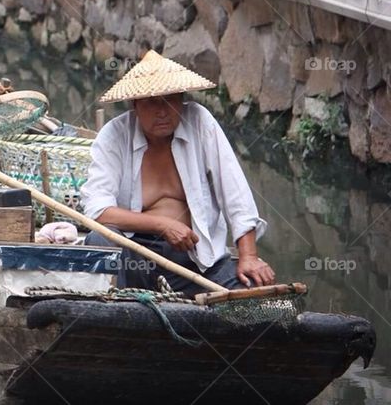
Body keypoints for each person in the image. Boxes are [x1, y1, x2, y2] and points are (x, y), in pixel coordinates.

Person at [80, 50, 276, 296]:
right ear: (135, 104)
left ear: (181, 100)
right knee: (99, 241)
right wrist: (162, 225)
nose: (162, 111)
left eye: (170, 100)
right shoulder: (114, 135)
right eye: (151, 102)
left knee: (254, 289)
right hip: (135, 259)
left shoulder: (200, 122)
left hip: (195, 262)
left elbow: (235, 194)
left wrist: (249, 256)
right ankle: (121, 304)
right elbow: (97, 211)